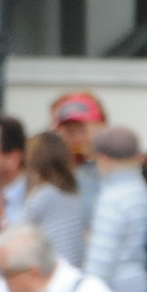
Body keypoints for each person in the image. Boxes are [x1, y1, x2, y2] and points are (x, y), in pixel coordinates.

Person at [83, 126, 147, 292]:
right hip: (139, 288)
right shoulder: (139, 189)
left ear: (103, 158)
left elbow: (101, 261)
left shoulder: (112, 198)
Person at [18, 134, 84, 268]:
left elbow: (18, 231)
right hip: (74, 265)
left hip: (52, 266)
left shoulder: (43, 195)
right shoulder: (72, 193)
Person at [50, 95, 106, 234]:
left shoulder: (111, 167)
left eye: (80, 128)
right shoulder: (51, 171)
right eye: (68, 128)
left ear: (100, 127)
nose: (74, 136)